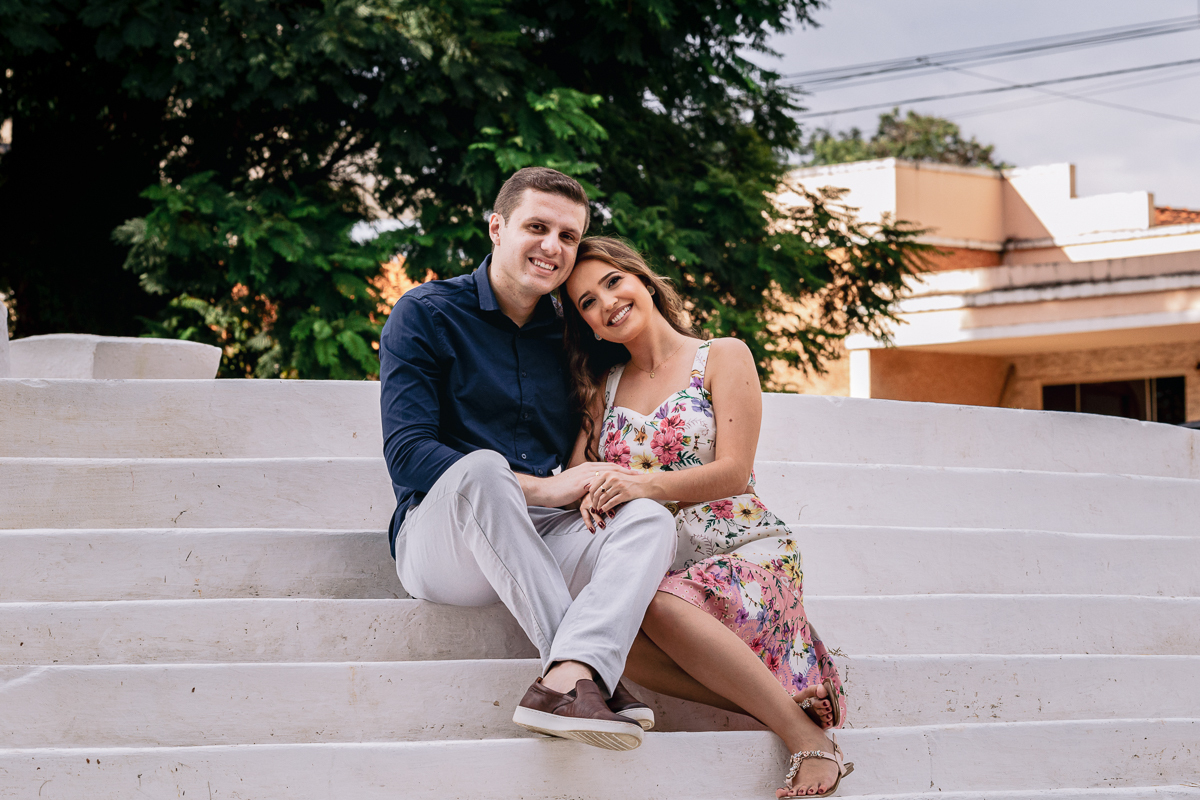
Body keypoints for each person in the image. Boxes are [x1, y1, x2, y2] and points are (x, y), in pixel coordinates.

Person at [378, 168, 677, 753]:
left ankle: (570, 676)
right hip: (442, 543)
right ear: (497, 228)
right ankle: (576, 674)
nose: (553, 246)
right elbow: (408, 455)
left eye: (568, 236)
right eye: (537, 227)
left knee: (648, 519)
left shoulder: (572, 333)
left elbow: (634, 373)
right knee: (483, 467)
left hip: (536, 538)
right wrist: (542, 489)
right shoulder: (426, 313)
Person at [561, 236, 853, 798]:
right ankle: (785, 703)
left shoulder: (722, 355)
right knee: (617, 642)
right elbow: (580, 476)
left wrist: (642, 484)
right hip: (667, 564)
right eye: (588, 303)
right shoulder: (602, 389)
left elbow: (734, 472)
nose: (607, 303)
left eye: (613, 282)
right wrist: (585, 491)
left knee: (657, 605)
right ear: (589, 327)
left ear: (644, 281)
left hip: (745, 546)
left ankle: (809, 740)